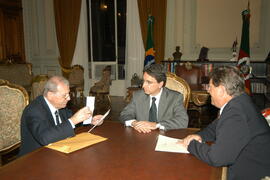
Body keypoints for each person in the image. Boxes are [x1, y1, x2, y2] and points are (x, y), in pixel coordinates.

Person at [179, 66, 270, 180]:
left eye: (210, 87)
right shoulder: (240, 100)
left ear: (221, 90)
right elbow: (215, 127)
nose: (208, 90)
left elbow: (217, 158)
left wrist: (191, 144)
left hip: (251, 174)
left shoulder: (235, 113)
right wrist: (199, 135)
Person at [19, 76, 104, 156]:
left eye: (68, 94)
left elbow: (70, 123)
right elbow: (44, 138)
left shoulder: (60, 105)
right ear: (50, 95)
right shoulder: (34, 110)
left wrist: (90, 120)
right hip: (35, 157)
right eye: (64, 95)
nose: (69, 98)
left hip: (56, 151)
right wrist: (73, 120)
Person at [120, 64, 188, 133]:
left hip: (164, 136)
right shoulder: (138, 96)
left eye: (148, 82)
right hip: (142, 136)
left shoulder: (175, 97)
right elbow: (124, 114)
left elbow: (182, 121)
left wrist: (156, 125)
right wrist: (134, 123)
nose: (143, 85)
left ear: (160, 84)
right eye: (143, 81)